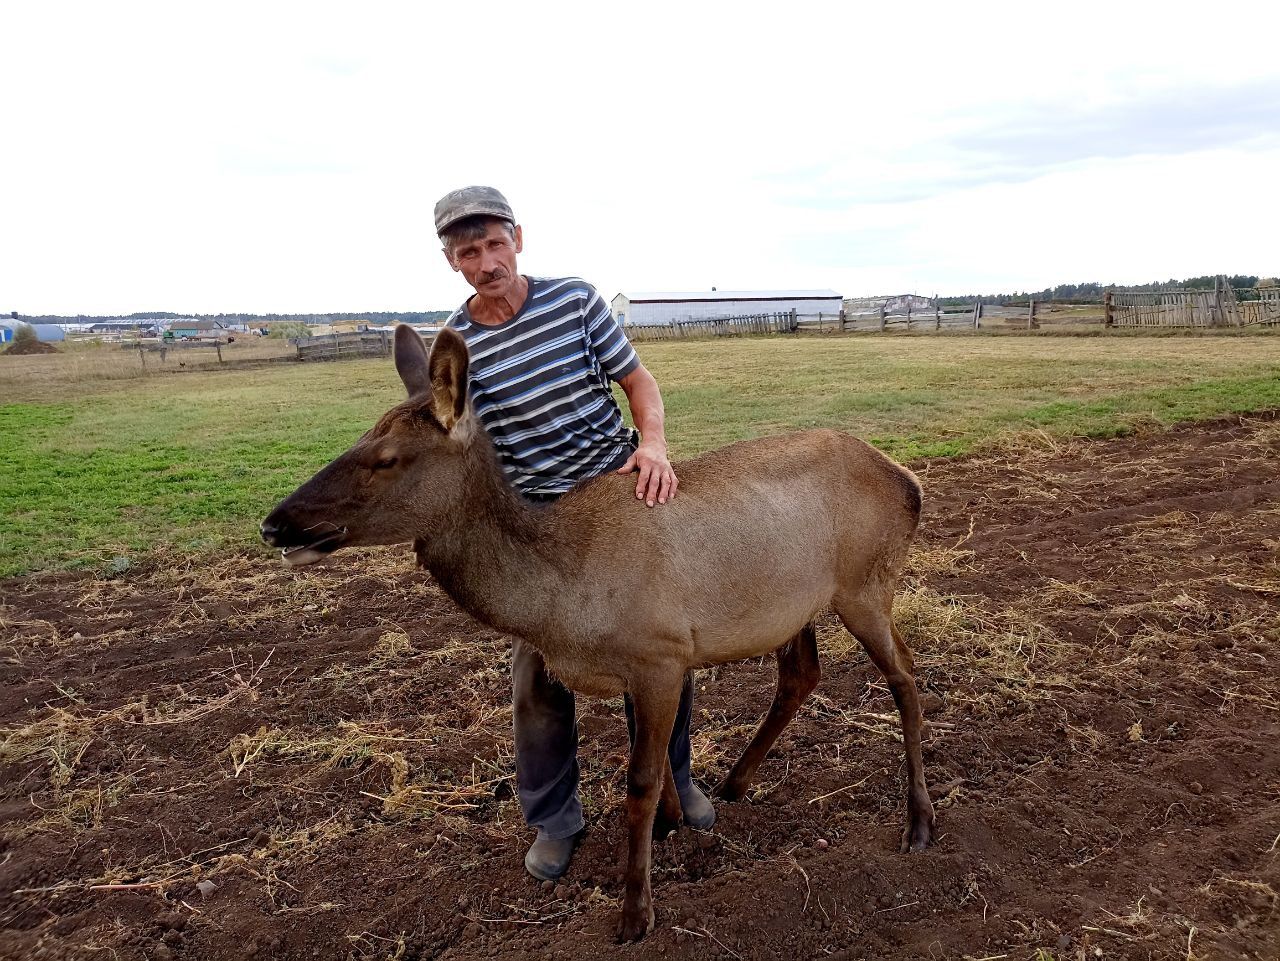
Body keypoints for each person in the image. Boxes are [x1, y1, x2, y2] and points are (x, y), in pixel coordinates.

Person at [434, 185, 715, 881]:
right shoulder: (457, 344)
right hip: (542, 529)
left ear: (518, 238)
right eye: (469, 251)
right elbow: (461, 444)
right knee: (538, 671)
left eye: (495, 243)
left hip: (622, 499)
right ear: (452, 261)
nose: (486, 260)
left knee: (655, 648)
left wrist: (652, 445)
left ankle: (675, 779)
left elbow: (638, 381)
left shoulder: (576, 301)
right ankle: (555, 818)